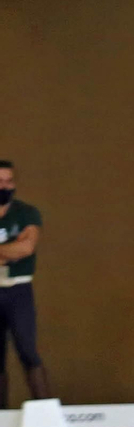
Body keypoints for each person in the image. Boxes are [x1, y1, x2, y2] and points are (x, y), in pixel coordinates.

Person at [0, 161, 49, 408]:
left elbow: (26, 248)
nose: (4, 187)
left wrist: (17, 250)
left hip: (18, 290)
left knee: (28, 351)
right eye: (0, 182)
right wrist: (9, 250)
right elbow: (16, 249)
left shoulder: (26, 213)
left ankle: (46, 412)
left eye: (9, 181)